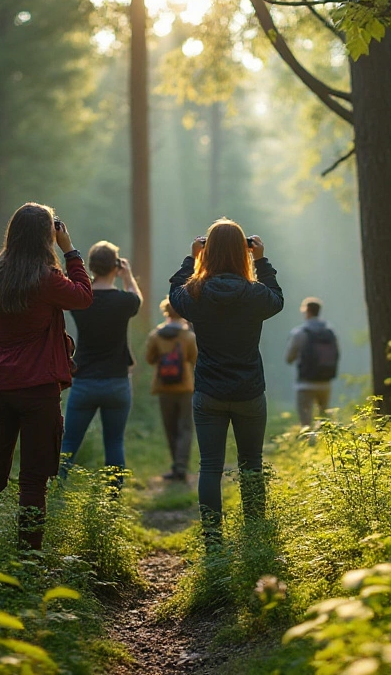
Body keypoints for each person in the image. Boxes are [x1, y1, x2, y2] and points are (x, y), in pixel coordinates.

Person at [0, 202, 92, 551]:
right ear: (45, 236)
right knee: (33, 481)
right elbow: (83, 297)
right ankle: (28, 562)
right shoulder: (47, 279)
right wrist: (70, 250)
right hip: (38, 389)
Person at [168, 218, 283, 542]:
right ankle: (255, 536)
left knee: (210, 468)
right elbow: (278, 298)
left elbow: (174, 293)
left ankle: (213, 543)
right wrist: (261, 260)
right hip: (249, 391)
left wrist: (191, 258)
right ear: (241, 252)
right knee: (251, 465)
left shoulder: (195, 293)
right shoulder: (255, 294)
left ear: (209, 252)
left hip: (208, 392)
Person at [59, 241, 142, 488]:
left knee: (68, 445)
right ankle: (113, 503)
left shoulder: (81, 299)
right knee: (114, 443)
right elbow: (136, 298)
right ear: (115, 267)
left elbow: (66, 288)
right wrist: (127, 276)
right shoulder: (123, 301)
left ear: (92, 267)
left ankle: (54, 495)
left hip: (84, 382)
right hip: (117, 382)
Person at [145, 298, 198, 482]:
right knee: (185, 427)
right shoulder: (188, 337)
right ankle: (181, 467)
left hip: (163, 386)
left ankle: (175, 465)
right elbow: (194, 359)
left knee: (170, 427)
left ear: (165, 312)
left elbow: (150, 359)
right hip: (185, 387)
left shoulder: (155, 335)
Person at [285, 297, 339, 428]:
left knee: (306, 423)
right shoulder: (330, 331)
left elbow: (289, 358)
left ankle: (309, 445)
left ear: (306, 311)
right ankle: (325, 445)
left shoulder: (300, 333)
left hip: (305, 384)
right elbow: (337, 353)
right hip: (325, 383)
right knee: (324, 419)